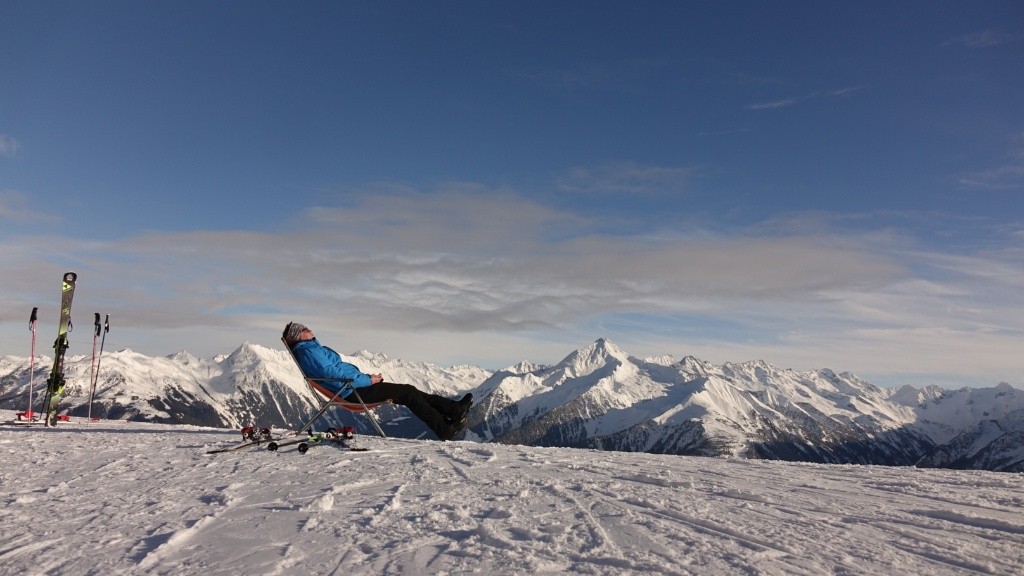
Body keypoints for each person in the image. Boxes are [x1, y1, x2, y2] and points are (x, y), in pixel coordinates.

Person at [283, 322, 472, 441]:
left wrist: (369, 380)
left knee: (409, 391)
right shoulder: (308, 352)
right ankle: (445, 428)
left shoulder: (310, 349)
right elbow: (334, 374)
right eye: (305, 329)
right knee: (407, 393)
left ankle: (453, 411)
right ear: (297, 336)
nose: (310, 329)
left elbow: (334, 372)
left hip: (353, 387)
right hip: (352, 392)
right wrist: (368, 380)